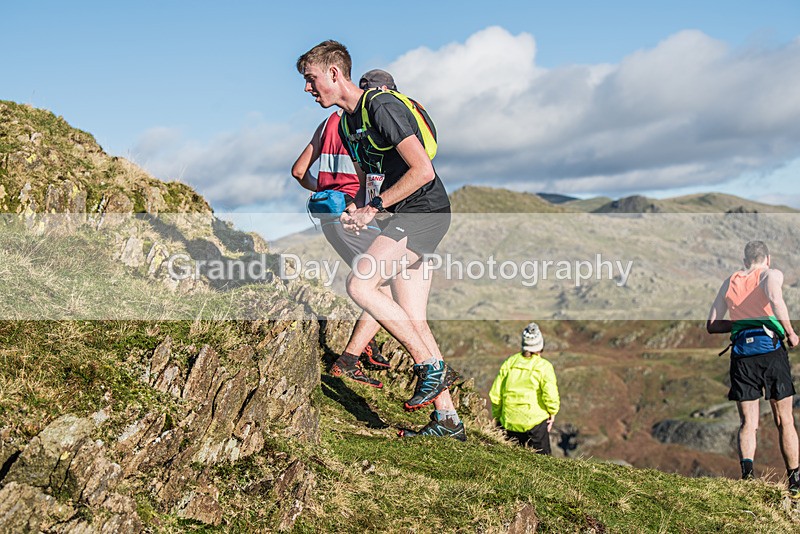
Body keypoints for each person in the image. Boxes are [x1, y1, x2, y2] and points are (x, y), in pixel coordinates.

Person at [296, 40, 464, 440]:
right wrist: (359, 207)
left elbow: (422, 171)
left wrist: (375, 207)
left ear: (334, 74)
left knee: (361, 284)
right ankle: (448, 421)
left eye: (311, 78)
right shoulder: (349, 121)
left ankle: (428, 365)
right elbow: (374, 180)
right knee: (412, 315)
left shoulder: (381, 107)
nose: (307, 88)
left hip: (424, 212)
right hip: (402, 214)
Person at [290, 70, 400, 388]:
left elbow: (299, 171)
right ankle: (351, 358)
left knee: (375, 280)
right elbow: (366, 174)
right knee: (390, 279)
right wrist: (354, 201)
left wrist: (325, 193)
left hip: (330, 217)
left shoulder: (326, 123)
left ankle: (365, 346)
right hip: (354, 215)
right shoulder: (363, 122)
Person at [707, 240, 800, 496]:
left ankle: (748, 479)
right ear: (767, 258)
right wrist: (790, 332)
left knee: (748, 422)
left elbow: (712, 325)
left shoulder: (730, 281)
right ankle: (795, 483)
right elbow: (775, 298)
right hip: (770, 352)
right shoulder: (771, 274)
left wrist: (740, 324)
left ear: (745, 260)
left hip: (741, 356)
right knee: (785, 420)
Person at [489, 323, 560, 454]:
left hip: (509, 422)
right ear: (540, 345)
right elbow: (550, 395)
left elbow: (496, 394)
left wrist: (498, 417)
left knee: (511, 462)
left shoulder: (510, 363)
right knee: (543, 464)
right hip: (535, 424)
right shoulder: (544, 366)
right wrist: (552, 412)